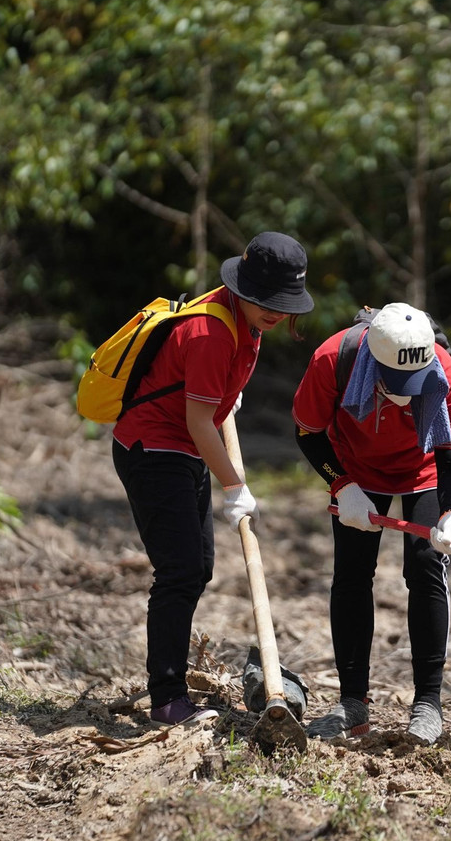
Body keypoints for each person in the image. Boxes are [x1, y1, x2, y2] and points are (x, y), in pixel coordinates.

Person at [113, 232, 313, 726]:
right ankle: (167, 698)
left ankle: (170, 689)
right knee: (180, 571)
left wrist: (225, 392)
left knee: (197, 567)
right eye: (266, 301)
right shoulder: (212, 332)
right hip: (154, 449)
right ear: (243, 289)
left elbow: (204, 405)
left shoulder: (245, 320)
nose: (275, 312)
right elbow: (199, 422)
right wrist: (235, 487)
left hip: (184, 447)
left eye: (283, 304)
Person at [292, 302, 451, 745]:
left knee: (426, 567)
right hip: (355, 465)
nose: (406, 394)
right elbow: (307, 432)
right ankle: (353, 702)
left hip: (422, 469)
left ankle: (428, 703)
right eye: (395, 383)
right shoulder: (333, 360)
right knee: (352, 574)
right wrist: (342, 485)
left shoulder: (447, 376)